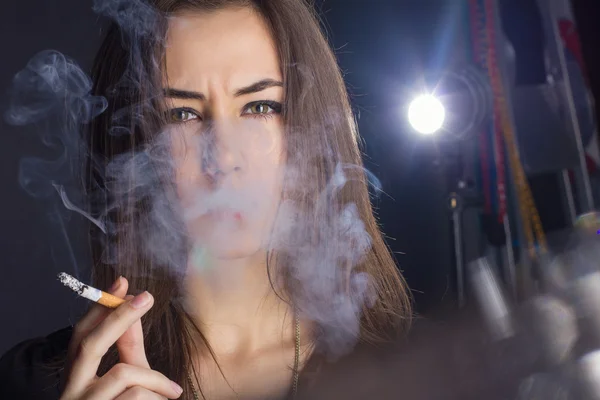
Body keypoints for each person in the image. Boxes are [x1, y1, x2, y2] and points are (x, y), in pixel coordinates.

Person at [0, 0, 411, 399]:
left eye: (259, 107)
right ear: (128, 142)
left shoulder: (415, 369)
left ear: (312, 126)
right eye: (182, 115)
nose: (224, 157)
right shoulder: (34, 384)